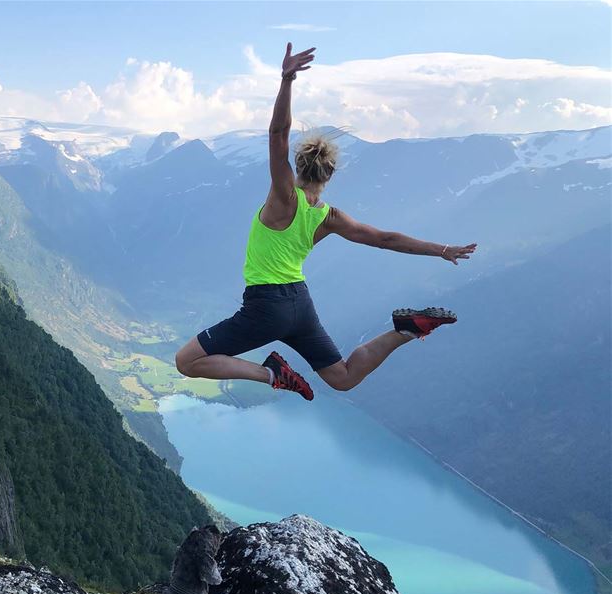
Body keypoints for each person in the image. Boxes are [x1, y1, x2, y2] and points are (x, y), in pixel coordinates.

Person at [173, 43, 477, 401]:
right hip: (300, 304)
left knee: (186, 361)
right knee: (343, 376)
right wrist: (441, 249)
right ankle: (406, 331)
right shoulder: (329, 217)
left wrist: (287, 79)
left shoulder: (285, 198)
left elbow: (278, 135)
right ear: (330, 174)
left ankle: (270, 373)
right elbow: (386, 239)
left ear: (298, 166)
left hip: (266, 305)